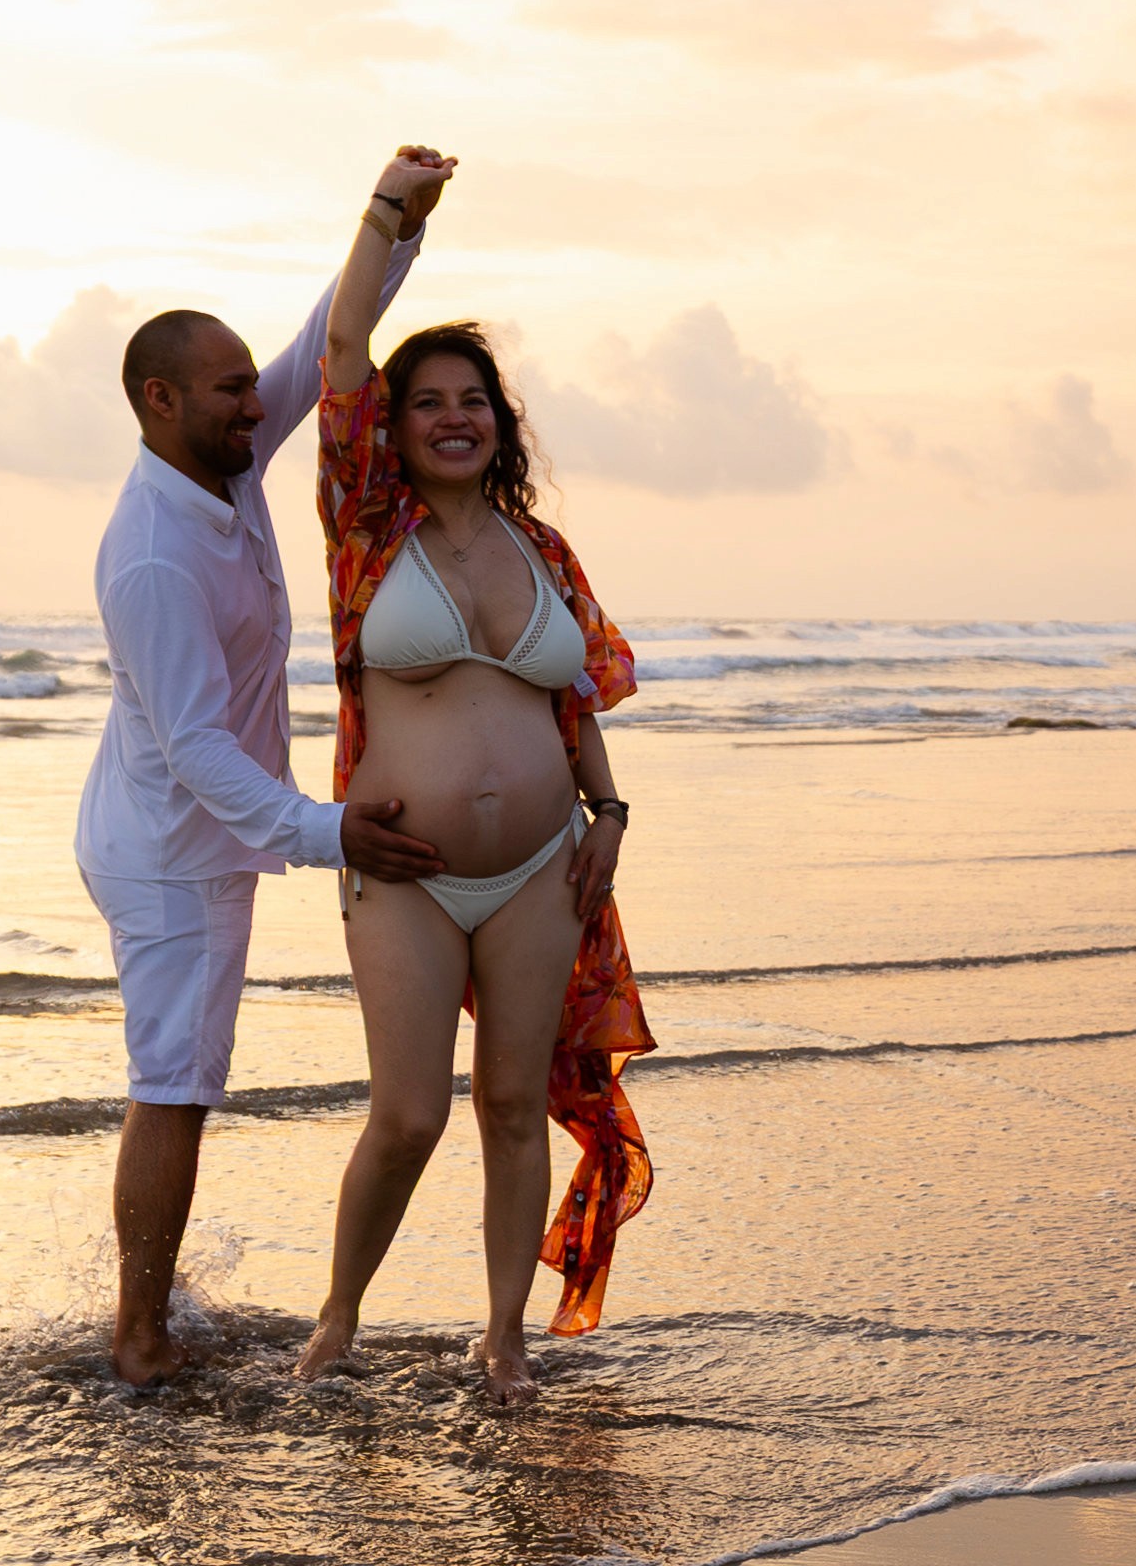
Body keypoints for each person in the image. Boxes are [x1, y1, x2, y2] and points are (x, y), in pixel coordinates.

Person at [75, 150, 454, 1389]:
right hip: (171, 850)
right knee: (173, 1086)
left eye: (249, 392)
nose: (257, 409)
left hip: (211, 834)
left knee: (183, 1082)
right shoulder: (151, 558)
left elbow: (321, 342)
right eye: (230, 394)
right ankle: (139, 1339)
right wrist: (328, 829)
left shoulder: (222, 462)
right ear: (156, 401)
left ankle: (153, 1308)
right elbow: (192, 754)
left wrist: (390, 223)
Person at [295, 152, 655, 1406]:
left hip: (541, 874)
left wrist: (609, 812)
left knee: (510, 1106)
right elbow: (344, 341)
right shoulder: (364, 528)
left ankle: (502, 1339)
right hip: (405, 871)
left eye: (474, 400)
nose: (454, 415)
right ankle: (337, 1318)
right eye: (428, 400)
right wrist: (390, 214)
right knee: (407, 1115)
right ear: (391, 430)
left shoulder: (543, 546)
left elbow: (572, 702)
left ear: (500, 423)